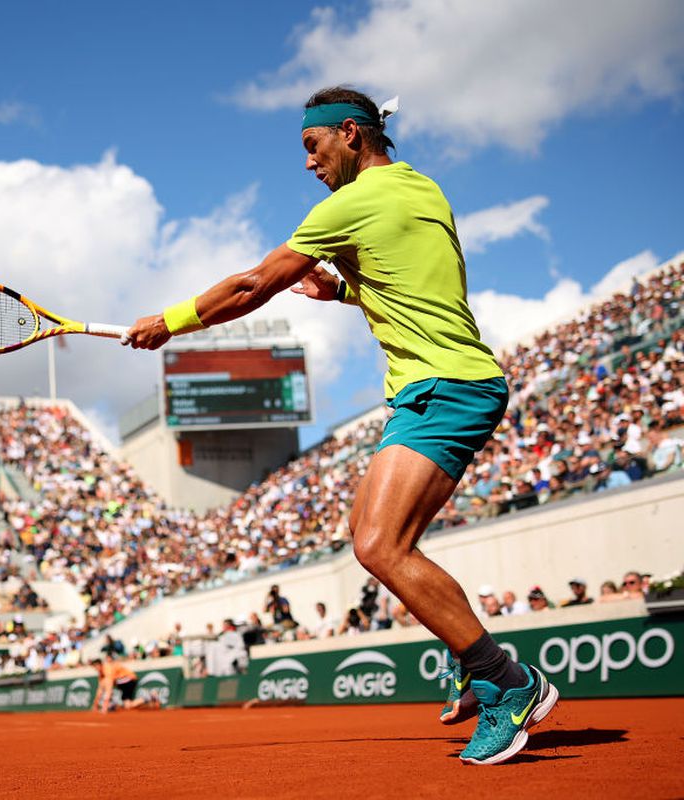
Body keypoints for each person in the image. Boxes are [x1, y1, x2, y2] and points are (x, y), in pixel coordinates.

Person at [122, 85, 556, 765]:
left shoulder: (348, 204)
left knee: (381, 547)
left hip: (445, 387)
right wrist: (348, 288)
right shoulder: (421, 188)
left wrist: (169, 323)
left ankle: (508, 684)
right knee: (374, 537)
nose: (307, 163)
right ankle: (475, 665)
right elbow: (419, 280)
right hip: (445, 384)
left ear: (350, 133)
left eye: (311, 146)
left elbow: (251, 286)